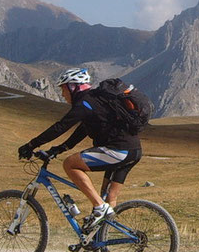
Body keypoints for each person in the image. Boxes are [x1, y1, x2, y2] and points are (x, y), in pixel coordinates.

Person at [17, 68, 143, 231]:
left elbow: (60, 127)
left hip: (118, 151)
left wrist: (30, 145)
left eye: (63, 89)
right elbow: (83, 129)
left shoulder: (85, 102)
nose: (63, 94)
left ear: (72, 87)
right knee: (108, 197)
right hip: (133, 151)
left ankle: (99, 208)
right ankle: (98, 241)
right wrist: (60, 148)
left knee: (70, 164)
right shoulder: (96, 101)